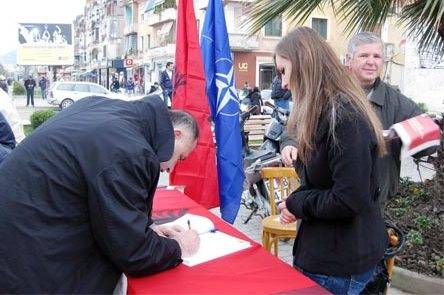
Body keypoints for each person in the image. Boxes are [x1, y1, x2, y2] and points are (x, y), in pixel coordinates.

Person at [0, 95, 200, 293]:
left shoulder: (106, 111)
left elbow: (101, 197)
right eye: (180, 158)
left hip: (22, 227)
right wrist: (179, 247)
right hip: (32, 256)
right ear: (176, 134)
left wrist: (148, 228)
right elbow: (132, 252)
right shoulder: (129, 150)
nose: (171, 168)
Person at [275, 27, 387, 294]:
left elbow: (348, 198)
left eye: (283, 71)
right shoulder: (323, 111)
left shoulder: (344, 116)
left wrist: (298, 202)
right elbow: (322, 181)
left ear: (304, 66)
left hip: (338, 264)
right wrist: (297, 202)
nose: (283, 83)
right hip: (328, 254)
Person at [281, 32, 423, 211]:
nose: (371, 61)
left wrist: (405, 135)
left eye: (377, 56)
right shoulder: (323, 95)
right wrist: (289, 143)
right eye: (364, 55)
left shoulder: (398, 102)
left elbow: (427, 140)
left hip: (378, 204)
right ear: (348, 59)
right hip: (326, 201)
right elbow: (293, 128)